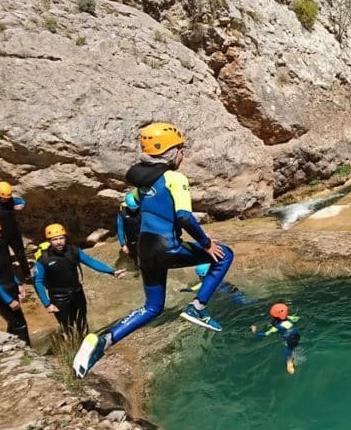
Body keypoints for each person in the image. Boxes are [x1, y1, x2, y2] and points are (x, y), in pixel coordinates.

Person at [73, 122, 234, 378]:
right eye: (181, 149)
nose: (184, 154)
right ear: (172, 152)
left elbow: (130, 204)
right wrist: (206, 243)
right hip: (166, 247)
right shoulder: (175, 178)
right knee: (224, 255)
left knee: (153, 307)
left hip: (145, 251)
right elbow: (184, 217)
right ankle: (197, 308)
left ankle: (103, 342)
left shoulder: (143, 183)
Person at [34, 223, 126, 340]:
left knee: (81, 322)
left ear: (65, 238)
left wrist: (112, 271)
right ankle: (71, 348)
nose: (59, 242)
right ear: (49, 241)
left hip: (77, 293)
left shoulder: (73, 251)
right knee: (67, 326)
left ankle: (85, 344)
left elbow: (91, 262)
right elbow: (38, 282)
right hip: (59, 297)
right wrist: (47, 304)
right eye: (55, 239)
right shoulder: (44, 259)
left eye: (61, 238)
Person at [251, 303, 301, 375]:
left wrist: (255, 331)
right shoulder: (290, 318)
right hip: (296, 337)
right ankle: (294, 355)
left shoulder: (277, 327)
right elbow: (297, 318)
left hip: (289, 341)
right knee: (294, 347)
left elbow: (265, 334)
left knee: (288, 354)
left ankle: (290, 366)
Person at [178, 263, 252, 305]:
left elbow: (195, 287)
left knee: (241, 303)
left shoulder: (207, 281)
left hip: (233, 295)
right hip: (234, 290)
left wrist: (185, 289)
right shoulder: (216, 277)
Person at [116, 192, 141, 270]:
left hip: (143, 236)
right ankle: (136, 267)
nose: (134, 210)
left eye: (135, 208)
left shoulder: (142, 210)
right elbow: (120, 229)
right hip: (131, 238)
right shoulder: (122, 214)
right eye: (132, 208)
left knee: (145, 253)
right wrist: (123, 244)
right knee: (133, 254)